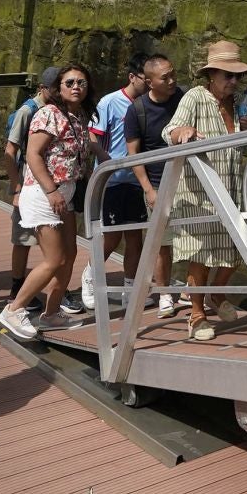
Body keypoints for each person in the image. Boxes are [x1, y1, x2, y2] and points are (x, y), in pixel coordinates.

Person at [166, 41, 247, 341]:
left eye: (237, 76)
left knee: (236, 249)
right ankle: (196, 314)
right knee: (200, 253)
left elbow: (246, 144)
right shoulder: (196, 97)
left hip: (230, 187)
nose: (234, 82)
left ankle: (216, 295)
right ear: (211, 75)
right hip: (197, 191)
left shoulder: (239, 102)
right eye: (227, 76)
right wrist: (182, 132)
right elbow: (171, 129)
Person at [0, 64, 101, 339]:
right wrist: (51, 190)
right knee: (54, 259)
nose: (76, 86)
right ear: (58, 88)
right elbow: (33, 155)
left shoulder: (78, 116)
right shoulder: (48, 114)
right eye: (69, 82)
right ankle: (14, 309)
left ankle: (51, 313)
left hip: (64, 195)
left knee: (69, 256)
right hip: (45, 194)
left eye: (81, 82)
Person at [87, 53, 153, 311]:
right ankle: (91, 277)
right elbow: (93, 138)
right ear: (132, 77)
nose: (148, 85)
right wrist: (109, 163)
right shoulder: (109, 102)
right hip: (112, 180)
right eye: (144, 80)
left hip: (137, 179)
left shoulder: (150, 103)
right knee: (112, 237)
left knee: (135, 236)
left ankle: (129, 288)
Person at [124, 54, 186, 317]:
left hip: (188, 179)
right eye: (165, 77)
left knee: (196, 235)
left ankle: (189, 291)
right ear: (150, 82)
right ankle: (164, 294)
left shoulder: (183, 99)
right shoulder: (137, 110)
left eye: (173, 74)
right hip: (159, 182)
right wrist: (148, 189)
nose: (172, 80)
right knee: (163, 241)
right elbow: (134, 155)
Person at [4, 69, 59, 305]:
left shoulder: (61, 110)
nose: (58, 92)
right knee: (23, 238)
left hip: (52, 183)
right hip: (28, 183)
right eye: (54, 88)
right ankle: (17, 286)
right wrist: (16, 188)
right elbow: (10, 151)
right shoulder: (28, 111)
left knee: (55, 241)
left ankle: (57, 287)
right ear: (42, 87)